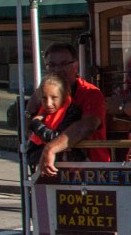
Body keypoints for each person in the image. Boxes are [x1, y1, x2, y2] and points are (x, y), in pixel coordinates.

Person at [27, 43, 110, 177]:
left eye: (64, 63)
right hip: (51, 170)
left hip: (91, 171)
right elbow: (29, 134)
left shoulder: (91, 93)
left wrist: (51, 148)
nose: (58, 69)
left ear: (76, 66)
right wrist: (29, 111)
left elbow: (86, 126)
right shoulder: (44, 94)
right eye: (52, 65)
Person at [26, 74, 83, 171]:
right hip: (44, 168)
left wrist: (36, 123)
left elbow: (57, 138)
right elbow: (31, 151)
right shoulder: (42, 113)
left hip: (68, 169)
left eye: (54, 98)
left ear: (64, 96)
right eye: (44, 98)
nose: (48, 103)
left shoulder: (73, 112)